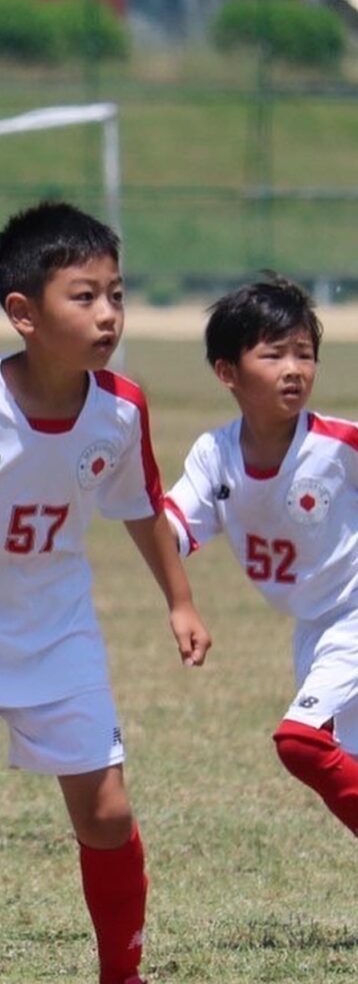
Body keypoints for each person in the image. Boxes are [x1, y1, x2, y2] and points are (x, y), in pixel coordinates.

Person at [0, 201, 212, 984]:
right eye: (83, 296)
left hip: (58, 629)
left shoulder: (120, 408)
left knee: (107, 813)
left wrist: (179, 600)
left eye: (116, 293)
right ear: (23, 313)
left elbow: (142, 507)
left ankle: (123, 974)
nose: (108, 313)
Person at [166, 275, 358, 837]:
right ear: (228, 372)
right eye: (273, 355)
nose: (294, 368)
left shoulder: (339, 446)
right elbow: (172, 528)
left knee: (301, 741)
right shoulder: (214, 455)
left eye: (304, 353)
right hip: (316, 626)